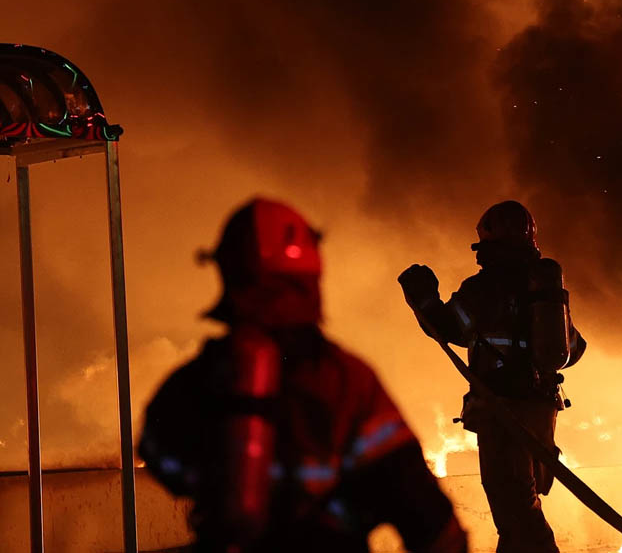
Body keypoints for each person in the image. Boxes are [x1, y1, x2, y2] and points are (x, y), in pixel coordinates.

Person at [139, 198, 466, 553]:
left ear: (228, 275)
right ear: (311, 275)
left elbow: (157, 455)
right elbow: (430, 520)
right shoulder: (348, 380)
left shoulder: (199, 377)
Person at [399, 200, 586, 553]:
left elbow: (447, 328)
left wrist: (423, 299)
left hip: (502, 412)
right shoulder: (544, 290)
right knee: (517, 507)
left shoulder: (483, 288)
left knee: (517, 510)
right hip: (542, 411)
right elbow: (574, 350)